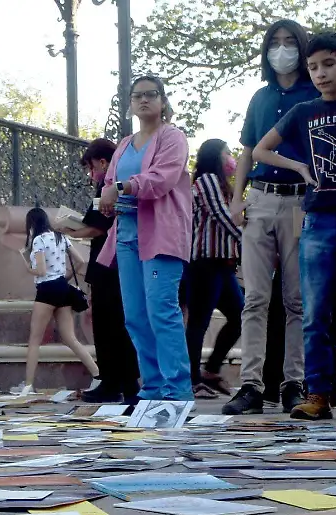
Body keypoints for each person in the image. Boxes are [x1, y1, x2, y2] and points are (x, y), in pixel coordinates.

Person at [254, 31, 336, 422]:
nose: (320, 73)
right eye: (313, 67)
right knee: (314, 312)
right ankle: (318, 394)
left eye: (329, 64)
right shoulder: (303, 112)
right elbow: (261, 149)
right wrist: (297, 167)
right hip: (317, 221)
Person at [225, 19, 319, 415]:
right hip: (260, 200)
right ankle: (250, 384)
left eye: (289, 42)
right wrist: (236, 198)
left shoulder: (315, 94)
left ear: (302, 46)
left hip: (301, 203)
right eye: (274, 43)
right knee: (255, 299)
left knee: (296, 300)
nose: (282, 49)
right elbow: (246, 149)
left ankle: (293, 383)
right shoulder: (259, 98)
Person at [99, 75, 193, 402]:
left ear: (163, 101)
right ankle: (151, 389)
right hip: (126, 237)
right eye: (137, 95)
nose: (144, 100)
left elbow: (162, 179)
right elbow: (110, 181)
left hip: (161, 237)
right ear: (130, 104)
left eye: (151, 95)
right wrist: (108, 202)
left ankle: (177, 391)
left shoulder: (173, 137)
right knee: (136, 316)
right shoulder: (124, 144)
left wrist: (122, 188)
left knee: (161, 311)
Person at [66, 139, 139, 403]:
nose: (91, 173)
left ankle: (115, 381)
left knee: (110, 326)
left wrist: (67, 229)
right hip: (114, 263)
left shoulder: (108, 187)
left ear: (102, 162)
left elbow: (97, 226)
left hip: (109, 265)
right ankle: (123, 380)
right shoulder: (114, 184)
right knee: (117, 324)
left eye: (91, 166)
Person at [182, 139, 243, 400]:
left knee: (240, 316)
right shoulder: (206, 180)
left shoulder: (221, 184)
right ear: (214, 156)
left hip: (222, 263)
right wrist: (249, 241)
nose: (231, 158)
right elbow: (222, 216)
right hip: (204, 263)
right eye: (227, 152)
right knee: (198, 322)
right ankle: (193, 379)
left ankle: (211, 370)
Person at [16, 206, 99, 396]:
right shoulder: (61, 237)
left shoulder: (38, 240)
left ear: (31, 224)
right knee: (70, 337)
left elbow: (41, 271)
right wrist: (65, 279)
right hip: (62, 288)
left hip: (46, 290)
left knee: (35, 339)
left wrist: (28, 267)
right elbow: (80, 262)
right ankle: (96, 373)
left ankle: (28, 385)